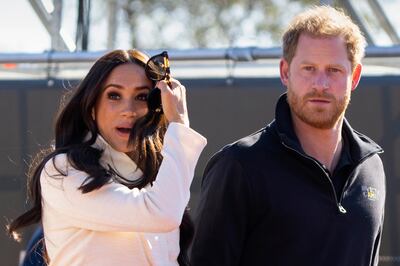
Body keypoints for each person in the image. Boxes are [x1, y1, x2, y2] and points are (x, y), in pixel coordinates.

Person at [190, 6, 385, 266]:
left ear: (355, 77)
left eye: (334, 70)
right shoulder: (239, 166)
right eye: (308, 68)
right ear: (285, 72)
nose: (320, 84)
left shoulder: (371, 168)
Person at [7, 49, 207, 266]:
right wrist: (179, 125)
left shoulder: (160, 178)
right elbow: (161, 214)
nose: (128, 110)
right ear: (92, 106)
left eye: (141, 96)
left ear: (155, 107)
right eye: (114, 95)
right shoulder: (64, 170)